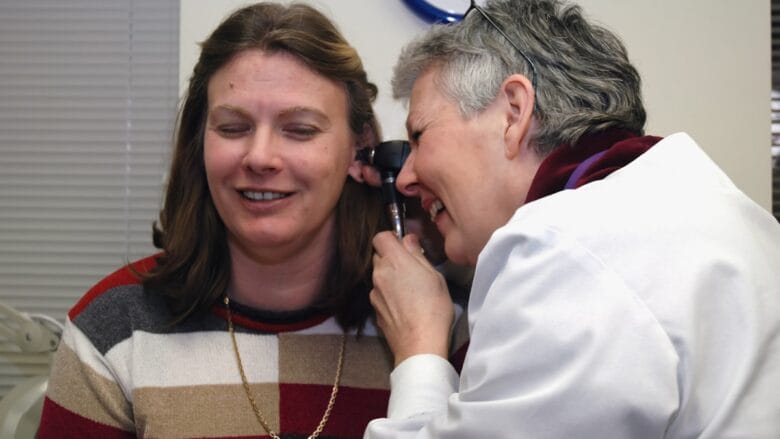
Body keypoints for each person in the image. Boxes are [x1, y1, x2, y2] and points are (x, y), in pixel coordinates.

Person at [364, 0, 780, 437]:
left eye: (420, 135)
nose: (407, 179)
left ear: (513, 111)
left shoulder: (564, 256)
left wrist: (420, 351)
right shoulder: (719, 210)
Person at [37, 3, 396, 438]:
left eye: (300, 130)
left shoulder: (432, 323)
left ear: (360, 150)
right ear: (199, 144)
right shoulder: (112, 331)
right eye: (232, 128)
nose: (260, 157)